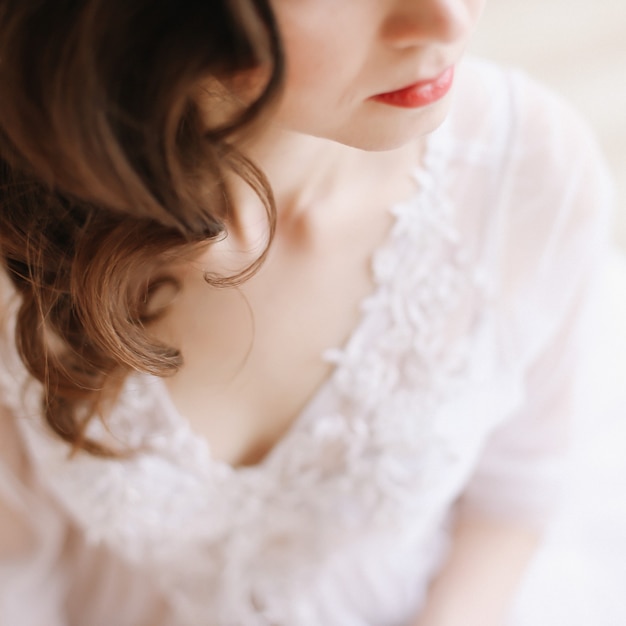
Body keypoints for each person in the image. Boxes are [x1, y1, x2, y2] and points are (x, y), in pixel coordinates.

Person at [0, 1, 613, 625]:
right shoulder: (23, 230)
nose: (450, 19)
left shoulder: (527, 176)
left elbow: (516, 488)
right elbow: (15, 561)